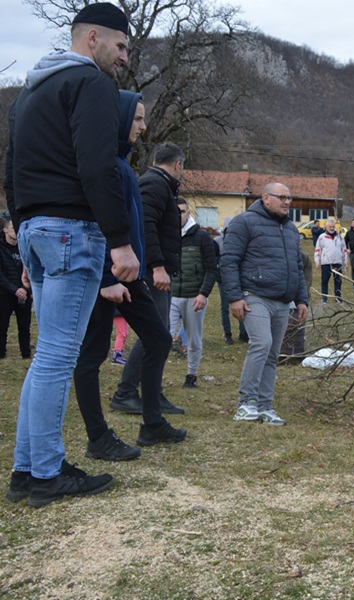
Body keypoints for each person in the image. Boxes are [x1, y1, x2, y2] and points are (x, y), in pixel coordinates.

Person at [5, 2, 142, 508]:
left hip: (37, 229)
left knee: (47, 355)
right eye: (121, 46)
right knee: (58, 357)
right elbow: (97, 164)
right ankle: (45, 473)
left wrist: (22, 230)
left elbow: (11, 169)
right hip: (72, 232)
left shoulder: (30, 92)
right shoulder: (92, 83)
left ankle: (27, 469)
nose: (124, 57)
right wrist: (120, 240)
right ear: (93, 39)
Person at [73, 90, 186, 463]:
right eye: (137, 118)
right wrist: (108, 277)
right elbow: (95, 219)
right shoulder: (103, 163)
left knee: (158, 338)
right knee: (92, 354)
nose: (143, 126)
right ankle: (98, 437)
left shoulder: (122, 164)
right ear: (118, 118)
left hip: (130, 275)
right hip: (105, 274)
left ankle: (152, 423)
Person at [221, 182, 309, 426]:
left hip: (283, 300)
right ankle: (246, 403)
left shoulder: (291, 229)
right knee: (262, 344)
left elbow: (297, 266)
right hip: (254, 296)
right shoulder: (244, 222)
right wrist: (235, 297)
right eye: (282, 197)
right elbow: (229, 260)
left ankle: (264, 405)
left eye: (289, 198)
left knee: (272, 354)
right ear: (266, 198)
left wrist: (301, 299)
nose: (287, 202)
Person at [110, 141, 186, 416]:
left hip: (156, 270)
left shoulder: (158, 184)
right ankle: (126, 392)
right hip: (153, 272)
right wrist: (157, 266)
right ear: (178, 164)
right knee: (155, 333)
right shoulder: (155, 185)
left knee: (159, 332)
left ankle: (152, 393)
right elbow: (146, 227)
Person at [169, 197, 218, 388]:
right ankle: (152, 376)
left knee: (193, 339)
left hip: (194, 297)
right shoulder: (167, 235)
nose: (178, 216)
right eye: (174, 212)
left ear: (188, 213)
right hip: (171, 296)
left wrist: (203, 294)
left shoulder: (202, 237)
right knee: (163, 335)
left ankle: (192, 375)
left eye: (182, 212)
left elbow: (212, 269)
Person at [0, 217, 32, 359]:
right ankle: (1, 355)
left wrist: (25, 289)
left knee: (25, 327)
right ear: (5, 230)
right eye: (13, 228)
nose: (16, 231)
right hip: (5, 294)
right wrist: (14, 289)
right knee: (2, 326)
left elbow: (33, 270)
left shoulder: (26, 247)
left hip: (24, 293)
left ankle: (26, 354)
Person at [214, 219, 247, 344]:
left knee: (241, 305)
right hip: (223, 280)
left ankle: (243, 333)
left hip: (238, 279)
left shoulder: (241, 241)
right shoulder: (217, 242)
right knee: (225, 307)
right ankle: (227, 333)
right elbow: (214, 260)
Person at [314, 220, 347, 303]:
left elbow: (344, 250)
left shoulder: (340, 237)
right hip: (326, 263)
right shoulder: (322, 237)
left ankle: (338, 298)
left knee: (338, 282)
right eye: (330, 227)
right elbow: (318, 250)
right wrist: (317, 262)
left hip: (337, 262)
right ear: (326, 227)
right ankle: (324, 298)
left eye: (333, 227)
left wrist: (345, 262)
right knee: (324, 281)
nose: (332, 228)